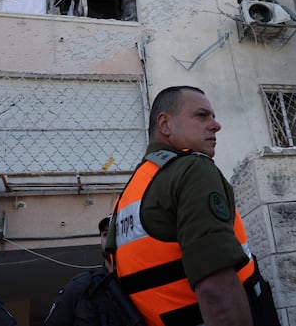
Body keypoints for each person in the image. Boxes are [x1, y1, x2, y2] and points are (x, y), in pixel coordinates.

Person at [106, 85, 279, 326]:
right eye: (202, 115)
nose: (216, 125)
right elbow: (216, 290)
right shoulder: (192, 169)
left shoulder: (125, 197)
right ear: (165, 124)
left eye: (213, 117)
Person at [44, 217, 126, 326]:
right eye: (105, 235)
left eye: (115, 234)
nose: (110, 240)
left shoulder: (142, 284)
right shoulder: (81, 287)